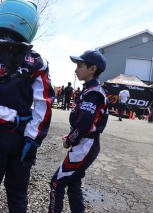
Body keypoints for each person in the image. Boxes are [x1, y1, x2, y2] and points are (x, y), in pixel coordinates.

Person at [0, 0, 55, 213]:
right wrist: (32, 137)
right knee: (17, 196)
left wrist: (9, 118)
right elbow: (44, 103)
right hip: (24, 137)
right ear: (31, 24)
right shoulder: (38, 61)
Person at [48, 50, 109, 213]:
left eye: (80, 66)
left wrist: (70, 140)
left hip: (86, 145)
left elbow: (84, 124)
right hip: (86, 143)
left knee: (57, 183)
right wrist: (72, 135)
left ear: (92, 69)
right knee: (73, 185)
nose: (76, 70)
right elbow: (85, 123)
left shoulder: (94, 93)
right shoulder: (90, 90)